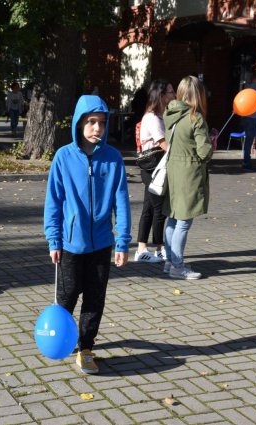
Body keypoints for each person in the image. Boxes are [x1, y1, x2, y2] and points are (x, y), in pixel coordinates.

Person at [44, 95, 131, 374]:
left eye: (102, 123)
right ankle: (60, 336)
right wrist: (54, 239)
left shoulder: (113, 158)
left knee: (95, 298)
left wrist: (123, 241)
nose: (97, 128)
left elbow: (122, 201)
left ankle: (86, 347)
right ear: (79, 123)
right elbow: (53, 202)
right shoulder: (63, 157)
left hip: (102, 244)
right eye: (91, 122)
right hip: (71, 244)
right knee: (68, 296)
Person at [162, 76, 214, 280]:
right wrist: (211, 145)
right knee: (183, 221)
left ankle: (169, 261)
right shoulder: (196, 118)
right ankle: (177, 265)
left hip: (173, 171)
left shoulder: (170, 114)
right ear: (198, 95)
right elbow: (204, 152)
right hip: (189, 173)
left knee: (173, 218)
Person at [134, 80, 175, 263]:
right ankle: (159, 248)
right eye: (171, 92)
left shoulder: (160, 115)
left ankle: (142, 249)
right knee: (159, 209)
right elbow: (164, 144)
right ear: (161, 95)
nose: (174, 95)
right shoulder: (152, 118)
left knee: (149, 209)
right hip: (153, 168)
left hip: (154, 168)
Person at [241, 69, 256, 171]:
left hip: (247, 116)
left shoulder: (248, 87)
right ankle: (246, 162)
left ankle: (246, 160)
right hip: (254, 117)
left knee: (248, 140)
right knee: (249, 140)